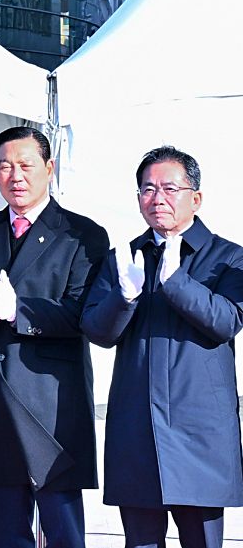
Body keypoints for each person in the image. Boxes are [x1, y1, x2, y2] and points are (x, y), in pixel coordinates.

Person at [81, 146, 243, 548]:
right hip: (138, 426)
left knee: (202, 541)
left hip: (200, 428)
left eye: (170, 188)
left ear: (196, 197)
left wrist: (177, 282)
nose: (158, 199)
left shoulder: (227, 257)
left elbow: (227, 322)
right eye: (148, 189)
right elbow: (97, 332)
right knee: (139, 541)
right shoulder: (125, 257)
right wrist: (124, 297)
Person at [0, 125, 109, 548]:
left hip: (53, 398)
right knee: (5, 526)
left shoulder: (82, 234)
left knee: (62, 525)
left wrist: (18, 311)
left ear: (49, 168)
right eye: (5, 166)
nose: (15, 175)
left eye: (25, 165)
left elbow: (83, 313)